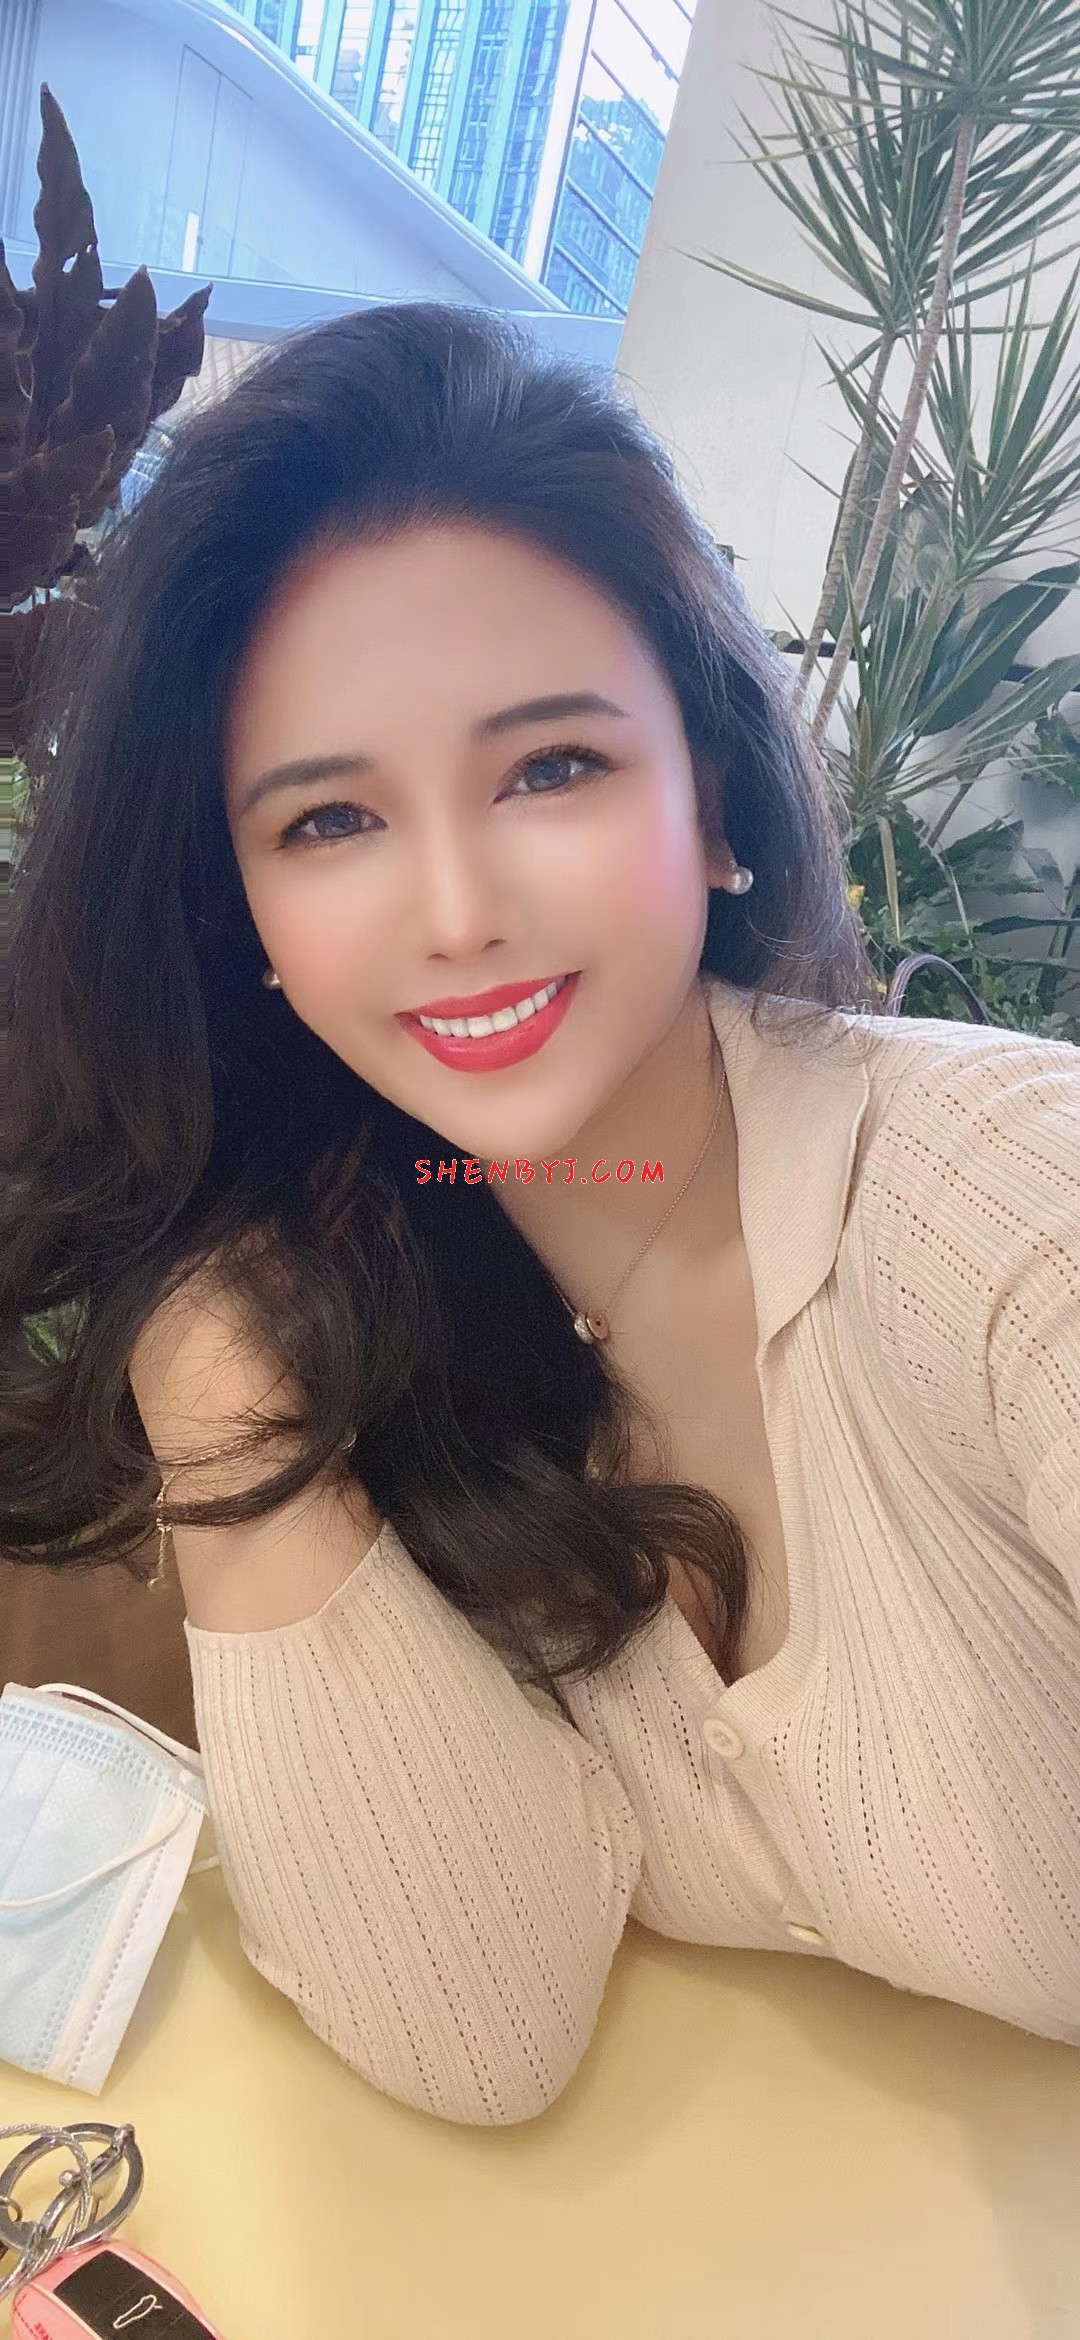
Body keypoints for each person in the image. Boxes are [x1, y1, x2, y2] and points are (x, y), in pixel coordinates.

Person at [4, 302, 1079, 2127]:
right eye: (329, 822)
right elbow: (474, 2032)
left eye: (552, 768)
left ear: (713, 800)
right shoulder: (388, 1316)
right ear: (242, 920)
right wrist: (205, 1343)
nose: (456, 912)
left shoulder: (1001, 1204)